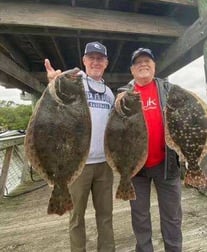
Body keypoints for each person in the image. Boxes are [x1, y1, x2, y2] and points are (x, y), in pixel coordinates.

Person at [44, 41, 115, 252]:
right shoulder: (72, 82)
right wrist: (53, 83)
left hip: (104, 164)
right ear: (84, 61)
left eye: (100, 58)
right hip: (76, 165)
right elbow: (51, 111)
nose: (95, 62)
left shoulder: (109, 93)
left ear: (106, 63)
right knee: (76, 217)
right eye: (91, 58)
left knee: (106, 216)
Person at [119, 48, 182, 252]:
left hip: (167, 164)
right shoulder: (122, 95)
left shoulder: (169, 90)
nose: (143, 64)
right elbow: (113, 131)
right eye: (138, 62)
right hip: (135, 169)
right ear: (131, 70)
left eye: (147, 60)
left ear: (154, 66)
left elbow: (186, 119)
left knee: (172, 215)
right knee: (140, 216)